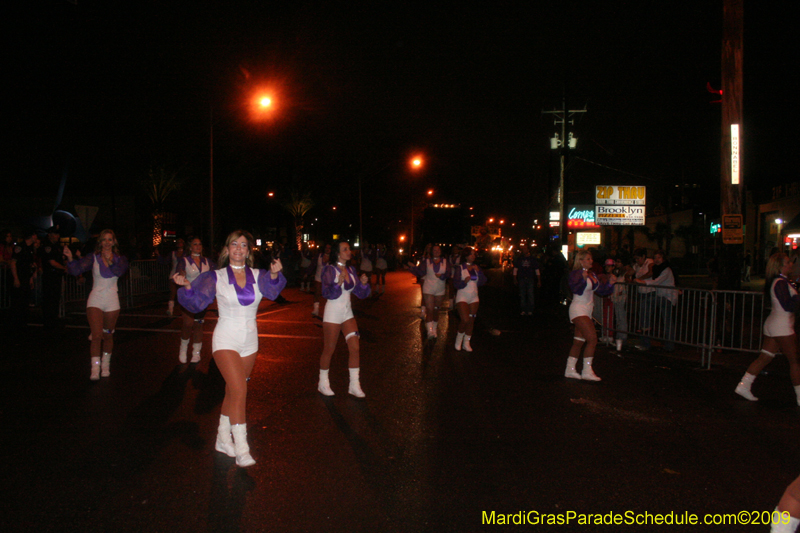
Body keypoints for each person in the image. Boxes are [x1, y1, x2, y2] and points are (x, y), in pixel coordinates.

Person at [175, 230, 286, 467]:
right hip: (226, 339)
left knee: (232, 392)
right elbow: (195, 302)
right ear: (227, 250)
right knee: (239, 390)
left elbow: (274, 291)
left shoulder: (259, 274)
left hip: (250, 341)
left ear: (248, 251)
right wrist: (186, 285)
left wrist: (276, 275)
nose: (238, 248)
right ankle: (242, 447)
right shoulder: (215, 276)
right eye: (234, 244)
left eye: (243, 245)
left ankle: (222, 438)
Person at [735, 253, 800, 406]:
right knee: (795, 361)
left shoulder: (780, 281)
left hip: (774, 324)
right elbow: (788, 305)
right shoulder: (780, 282)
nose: (791, 264)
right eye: (788, 262)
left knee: (765, 357)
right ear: (781, 266)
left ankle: (743, 386)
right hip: (782, 326)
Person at [64, 229, 129, 380]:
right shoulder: (93, 257)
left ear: (114, 242)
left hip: (112, 299)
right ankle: (95, 368)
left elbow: (120, 272)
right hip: (96, 298)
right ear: (100, 242)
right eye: (104, 240)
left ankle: (106, 365)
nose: (107, 242)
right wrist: (70, 258)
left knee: (107, 335)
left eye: (109, 240)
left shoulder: (120, 258)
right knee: (96, 335)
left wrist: (111, 261)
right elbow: (76, 270)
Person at [317, 241, 371, 397]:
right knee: (329, 350)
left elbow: (360, 293)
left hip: (347, 314)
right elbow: (326, 293)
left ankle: (354, 385)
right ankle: (323, 382)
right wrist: (337, 283)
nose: (349, 251)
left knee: (355, 348)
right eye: (345, 249)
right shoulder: (329, 270)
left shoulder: (351, 269)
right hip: (333, 314)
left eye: (349, 249)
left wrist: (363, 284)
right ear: (338, 253)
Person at [564, 250, 615, 381]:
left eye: (591, 259)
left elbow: (601, 291)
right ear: (580, 260)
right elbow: (575, 289)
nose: (591, 261)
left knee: (578, 341)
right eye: (587, 259)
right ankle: (587, 370)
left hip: (587, 309)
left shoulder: (592, 274)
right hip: (578, 309)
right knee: (592, 339)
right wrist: (583, 278)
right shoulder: (576, 273)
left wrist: (610, 284)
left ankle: (570, 369)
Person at [175, 237, 216, 363]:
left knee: (198, 323)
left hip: (202, 299)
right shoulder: (184, 260)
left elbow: (216, 274)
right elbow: (181, 271)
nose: (198, 246)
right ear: (190, 247)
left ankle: (196, 351)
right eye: (195, 244)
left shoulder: (207, 261)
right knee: (187, 324)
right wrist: (181, 276)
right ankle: (183, 349)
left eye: (200, 244)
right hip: (188, 296)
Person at [634, 250, 678, 352]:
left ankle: (667, 344)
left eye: (659, 257)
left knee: (666, 321)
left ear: (663, 259)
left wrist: (642, 281)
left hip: (667, 297)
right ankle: (647, 330)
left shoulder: (666, 270)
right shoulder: (658, 269)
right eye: (655, 258)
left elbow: (656, 282)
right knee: (666, 321)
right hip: (661, 295)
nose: (656, 260)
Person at [409, 244, 449, 339]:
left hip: (440, 289)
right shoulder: (427, 262)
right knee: (430, 309)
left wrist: (442, 276)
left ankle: (434, 328)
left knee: (436, 309)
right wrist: (412, 268)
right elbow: (420, 272)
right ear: (431, 252)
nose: (436, 251)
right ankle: (430, 331)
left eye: (438, 250)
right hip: (428, 288)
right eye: (434, 250)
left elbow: (448, 273)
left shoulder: (445, 262)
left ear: (440, 251)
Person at [452, 247, 487, 352]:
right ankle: (458, 340)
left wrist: (479, 272)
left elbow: (483, 281)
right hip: (462, 296)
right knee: (465, 319)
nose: (473, 256)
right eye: (471, 254)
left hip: (474, 297)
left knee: (471, 320)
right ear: (466, 256)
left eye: (474, 254)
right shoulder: (460, 268)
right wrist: (464, 282)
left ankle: (466, 342)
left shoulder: (476, 267)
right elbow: (456, 284)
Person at [9, 229, 39, 329]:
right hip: (20, 276)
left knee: (25, 300)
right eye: (34, 235)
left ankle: (23, 322)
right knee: (18, 301)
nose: (36, 237)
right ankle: (16, 323)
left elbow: (30, 264)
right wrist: (16, 278)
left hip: (26, 277)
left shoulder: (30, 248)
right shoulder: (20, 247)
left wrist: (31, 278)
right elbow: (13, 263)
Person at [38, 226, 67, 330]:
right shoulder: (48, 246)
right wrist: (64, 268)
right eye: (55, 234)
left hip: (57, 275)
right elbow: (52, 262)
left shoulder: (57, 246)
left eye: (58, 234)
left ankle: (53, 319)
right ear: (50, 235)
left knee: (55, 298)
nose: (57, 236)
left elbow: (60, 259)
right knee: (49, 298)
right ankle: (48, 321)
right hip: (50, 275)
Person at [513, 244, 541, 315]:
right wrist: (515, 278)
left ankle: (530, 309)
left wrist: (539, 280)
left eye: (525, 249)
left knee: (530, 294)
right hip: (522, 278)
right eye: (523, 249)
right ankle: (523, 309)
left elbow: (537, 270)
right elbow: (515, 269)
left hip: (530, 278)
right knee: (522, 294)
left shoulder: (532, 259)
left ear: (528, 250)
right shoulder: (520, 259)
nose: (524, 250)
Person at [311, 243, 331, 318]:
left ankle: (328, 311)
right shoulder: (319, 256)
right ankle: (316, 309)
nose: (327, 249)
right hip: (318, 277)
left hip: (328, 280)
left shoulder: (333, 258)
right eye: (326, 247)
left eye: (329, 248)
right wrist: (307, 272)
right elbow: (313, 264)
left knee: (328, 295)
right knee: (317, 293)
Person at [167, 238, 186, 316]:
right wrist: (158, 255)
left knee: (183, 294)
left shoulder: (186, 254)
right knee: (172, 293)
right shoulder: (172, 253)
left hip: (183, 276)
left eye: (181, 242)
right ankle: (170, 310)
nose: (179, 243)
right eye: (178, 242)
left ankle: (185, 311)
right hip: (173, 275)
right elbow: (165, 261)